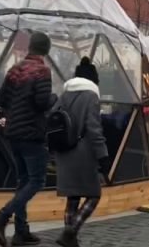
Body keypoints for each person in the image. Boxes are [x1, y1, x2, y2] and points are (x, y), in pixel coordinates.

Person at [0, 32, 57, 247]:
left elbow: (1, 99)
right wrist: (54, 98)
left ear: (30, 48)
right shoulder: (42, 71)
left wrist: (15, 114)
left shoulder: (14, 69)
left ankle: (21, 231)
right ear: (46, 50)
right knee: (36, 181)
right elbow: (42, 102)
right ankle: (1, 217)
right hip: (32, 133)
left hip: (13, 133)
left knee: (23, 181)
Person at [52, 57, 110, 247]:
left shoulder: (65, 94)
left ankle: (71, 239)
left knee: (73, 196)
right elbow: (94, 129)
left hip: (64, 151)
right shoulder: (91, 96)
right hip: (83, 153)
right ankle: (71, 231)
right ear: (93, 80)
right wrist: (103, 156)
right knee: (94, 195)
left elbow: (53, 118)